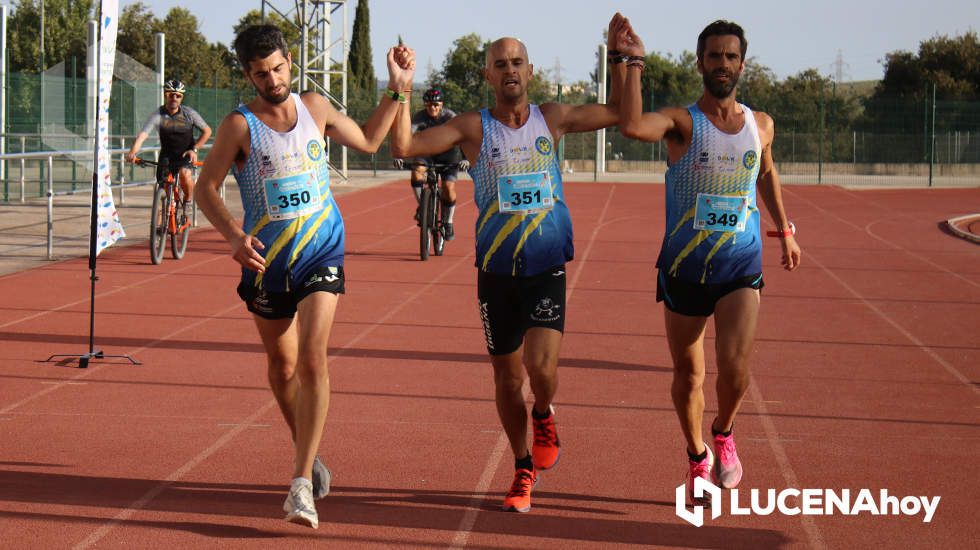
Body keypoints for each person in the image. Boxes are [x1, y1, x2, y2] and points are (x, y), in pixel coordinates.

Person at [389, 14, 629, 513]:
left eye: (517, 61)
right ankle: (522, 465)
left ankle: (544, 412)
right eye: (500, 64)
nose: (510, 70)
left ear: (531, 71)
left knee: (541, 370)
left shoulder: (553, 117)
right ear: (488, 77)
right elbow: (404, 147)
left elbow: (621, 114)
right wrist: (402, 89)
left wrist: (622, 58)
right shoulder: (474, 128)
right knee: (506, 378)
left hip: (545, 266)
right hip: (496, 273)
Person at [193, 24, 413, 529]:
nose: (271, 79)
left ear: (290, 61)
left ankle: (298, 487)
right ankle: (308, 454)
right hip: (267, 263)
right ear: (248, 75)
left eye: (276, 68)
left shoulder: (316, 107)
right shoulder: (240, 126)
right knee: (282, 367)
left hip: (322, 252)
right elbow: (206, 187)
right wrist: (231, 234)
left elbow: (374, 140)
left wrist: (398, 86)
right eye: (259, 73)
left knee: (314, 358)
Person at [614, 18, 802, 505]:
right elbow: (632, 126)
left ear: (742, 63)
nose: (723, 64)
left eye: (731, 56)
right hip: (685, 269)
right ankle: (697, 453)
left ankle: (724, 431)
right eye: (714, 56)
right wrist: (630, 61)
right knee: (689, 375)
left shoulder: (760, 125)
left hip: (741, 264)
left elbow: (766, 174)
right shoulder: (682, 124)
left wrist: (785, 230)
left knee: (735, 369)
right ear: (701, 62)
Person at [127, 79, 212, 218]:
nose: (174, 98)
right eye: (171, 95)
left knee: (185, 174)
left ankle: (188, 201)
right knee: (164, 185)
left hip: (186, 155)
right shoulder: (158, 115)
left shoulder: (188, 113)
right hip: (167, 155)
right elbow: (143, 135)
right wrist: (133, 152)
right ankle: (165, 218)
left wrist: (194, 149)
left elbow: (207, 131)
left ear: (181, 98)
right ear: (165, 95)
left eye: (178, 96)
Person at [400, 87, 466, 240]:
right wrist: (400, 155)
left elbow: (463, 137)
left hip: (449, 155)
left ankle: (448, 222)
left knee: (448, 188)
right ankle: (423, 207)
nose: (432, 108)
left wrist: (465, 158)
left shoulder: (451, 117)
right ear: (425, 105)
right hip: (427, 153)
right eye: (429, 105)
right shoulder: (419, 118)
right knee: (417, 172)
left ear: (441, 105)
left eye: (436, 105)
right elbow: (407, 136)